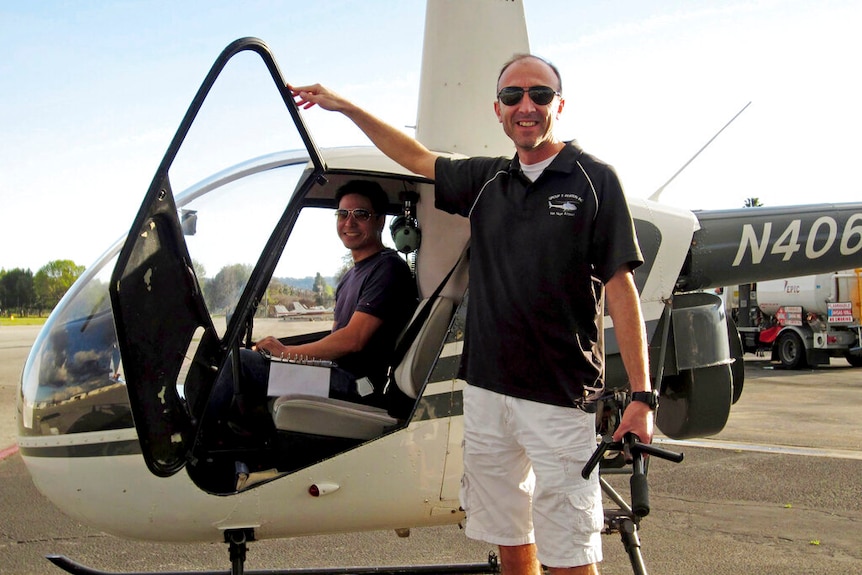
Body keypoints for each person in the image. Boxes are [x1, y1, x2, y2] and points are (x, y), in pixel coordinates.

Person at [290, 53, 655, 575]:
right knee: (508, 534)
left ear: (560, 105)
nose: (525, 106)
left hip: (559, 395)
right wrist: (344, 106)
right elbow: (414, 157)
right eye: (513, 97)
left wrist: (641, 398)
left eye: (539, 95)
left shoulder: (593, 180)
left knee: (569, 546)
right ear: (498, 110)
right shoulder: (487, 180)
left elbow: (621, 289)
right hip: (486, 389)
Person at [204, 179, 418, 441]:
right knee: (244, 362)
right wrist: (283, 355)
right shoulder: (350, 277)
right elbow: (337, 337)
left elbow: (353, 340)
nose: (349, 223)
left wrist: (288, 353)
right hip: (336, 373)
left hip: (358, 385)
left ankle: (200, 444)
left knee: (245, 365)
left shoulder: (388, 269)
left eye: (360, 214)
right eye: (342, 214)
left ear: (380, 220)